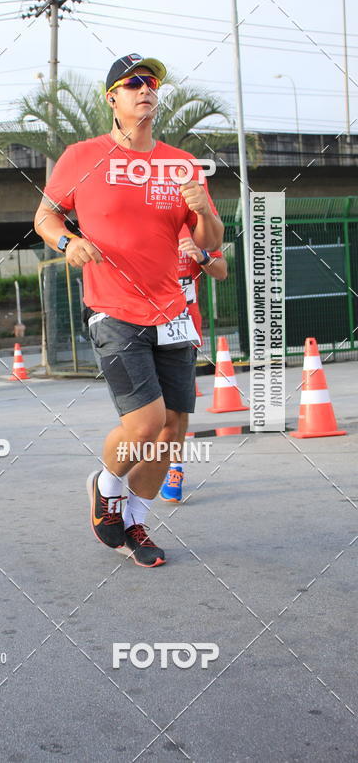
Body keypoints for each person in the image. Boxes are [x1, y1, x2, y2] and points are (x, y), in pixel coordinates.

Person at [34, 52, 224, 567]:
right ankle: (106, 486)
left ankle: (135, 521)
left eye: (152, 83)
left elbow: (210, 241)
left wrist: (203, 209)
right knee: (145, 424)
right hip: (113, 308)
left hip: (172, 313)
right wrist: (68, 242)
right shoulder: (82, 157)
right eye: (134, 82)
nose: (146, 89)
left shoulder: (181, 164)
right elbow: (46, 215)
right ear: (112, 98)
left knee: (173, 429)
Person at [158, 227, 228, 503]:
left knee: (177, 406)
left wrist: (202, 256)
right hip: (138, 326)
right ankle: (148, 461)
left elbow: (221, 271)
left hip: (182, 327)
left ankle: (174, 468)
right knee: (146, 409)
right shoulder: (136, 220)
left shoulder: (194, 226)